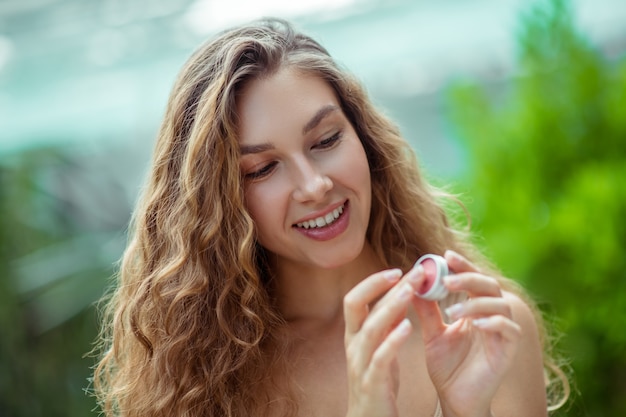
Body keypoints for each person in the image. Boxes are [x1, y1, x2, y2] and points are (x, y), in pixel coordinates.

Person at [93, 17, 568, 417]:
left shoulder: (486, 329)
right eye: (262, 169)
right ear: (218, 202)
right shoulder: (203, 382)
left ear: (363, 136)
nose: (314, 184)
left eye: (325, 141)